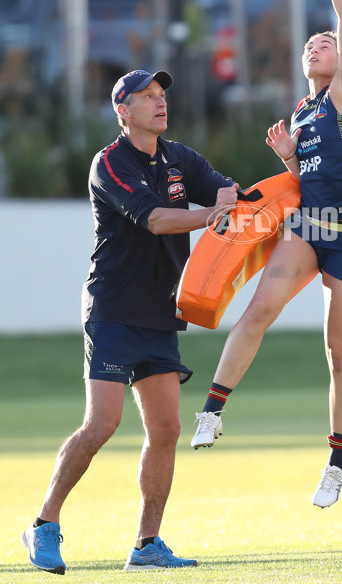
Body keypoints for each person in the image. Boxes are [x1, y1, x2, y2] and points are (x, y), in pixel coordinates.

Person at [22, 69, 239, 574]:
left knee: (165, 428)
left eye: (162, 94)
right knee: (102, 424)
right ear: (123, 110)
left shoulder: (183, 158)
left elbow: (234, 195)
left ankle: (147, 546)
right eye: (148, 96)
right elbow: (157, 217)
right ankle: (44, 525)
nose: (160, 102)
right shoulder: (109, 163)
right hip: (114, 309)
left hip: (161, 310)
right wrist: (212, 214)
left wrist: (280, 182)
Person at [190, 0, 342, 508]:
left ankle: (337, 462)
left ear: (341, 58)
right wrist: (289, 161)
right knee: (256, 314)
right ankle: (213, 410)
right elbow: (316, 179)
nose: (314, 47)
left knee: (338, 353)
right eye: (308, 47)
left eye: (323, 43)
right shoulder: (300, 113)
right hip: (305, 229)